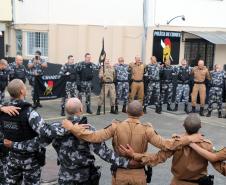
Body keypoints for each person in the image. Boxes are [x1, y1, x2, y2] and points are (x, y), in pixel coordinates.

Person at [62, 100, 203, 185]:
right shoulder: (147, 129)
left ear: (126, 112)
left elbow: (93, 137)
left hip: (120, 174)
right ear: (142, 114)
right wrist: (188, 139)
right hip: (139, 173)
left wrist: (73, 128)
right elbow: (165, 144)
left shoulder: (115, 126)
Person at [4, 98, 135, 185]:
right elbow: (106, 154)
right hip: (85, 178)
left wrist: (13, 144)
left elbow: (34, 145)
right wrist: (130, 162)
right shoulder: (88, 130)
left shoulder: (55, 129)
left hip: (65, 177)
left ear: (66, 111)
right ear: (81, 109)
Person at [121, 114, 226, 185]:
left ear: (183, 126)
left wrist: (134, 155)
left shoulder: (176, 143)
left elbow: (156, 158)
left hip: (177, 182)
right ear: (200, 126)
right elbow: (220, 167)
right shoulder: (207, 145)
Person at [0, 79, 51, 184]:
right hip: (30, 160)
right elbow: (46, 133)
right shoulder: (29, 112)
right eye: (24, 87)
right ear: (22, 91)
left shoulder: (4, 110)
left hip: (11, 159)